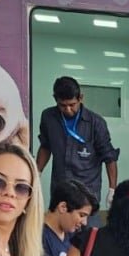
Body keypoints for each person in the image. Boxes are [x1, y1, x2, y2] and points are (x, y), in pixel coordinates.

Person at [34, 76, 119, 210]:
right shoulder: (49, 117)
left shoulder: (96, 123)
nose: (68, 109)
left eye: (72, 105)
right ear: (55, 99)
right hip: (60, 189)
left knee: (86, 229)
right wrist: (37, 173)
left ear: (81, 98)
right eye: (62, 105)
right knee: (57, 228)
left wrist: (112, 189)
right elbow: (45, 146)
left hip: (87, 193)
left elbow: (109, 158)